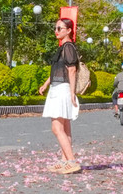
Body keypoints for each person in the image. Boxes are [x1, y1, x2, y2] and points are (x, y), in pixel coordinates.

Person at [37, 17, 82, 174]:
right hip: (58, 87)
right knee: (65, 128)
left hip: (62, 89)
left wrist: (72, 93)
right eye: (55, 28)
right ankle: (65, 162)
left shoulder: (68, 47)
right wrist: (46, 84)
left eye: (60, 28)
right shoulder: (64, 47)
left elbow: (71, 70)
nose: (56, 31)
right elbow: (58, 70)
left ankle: (71, 161)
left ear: (69, 30)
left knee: (57, 128)